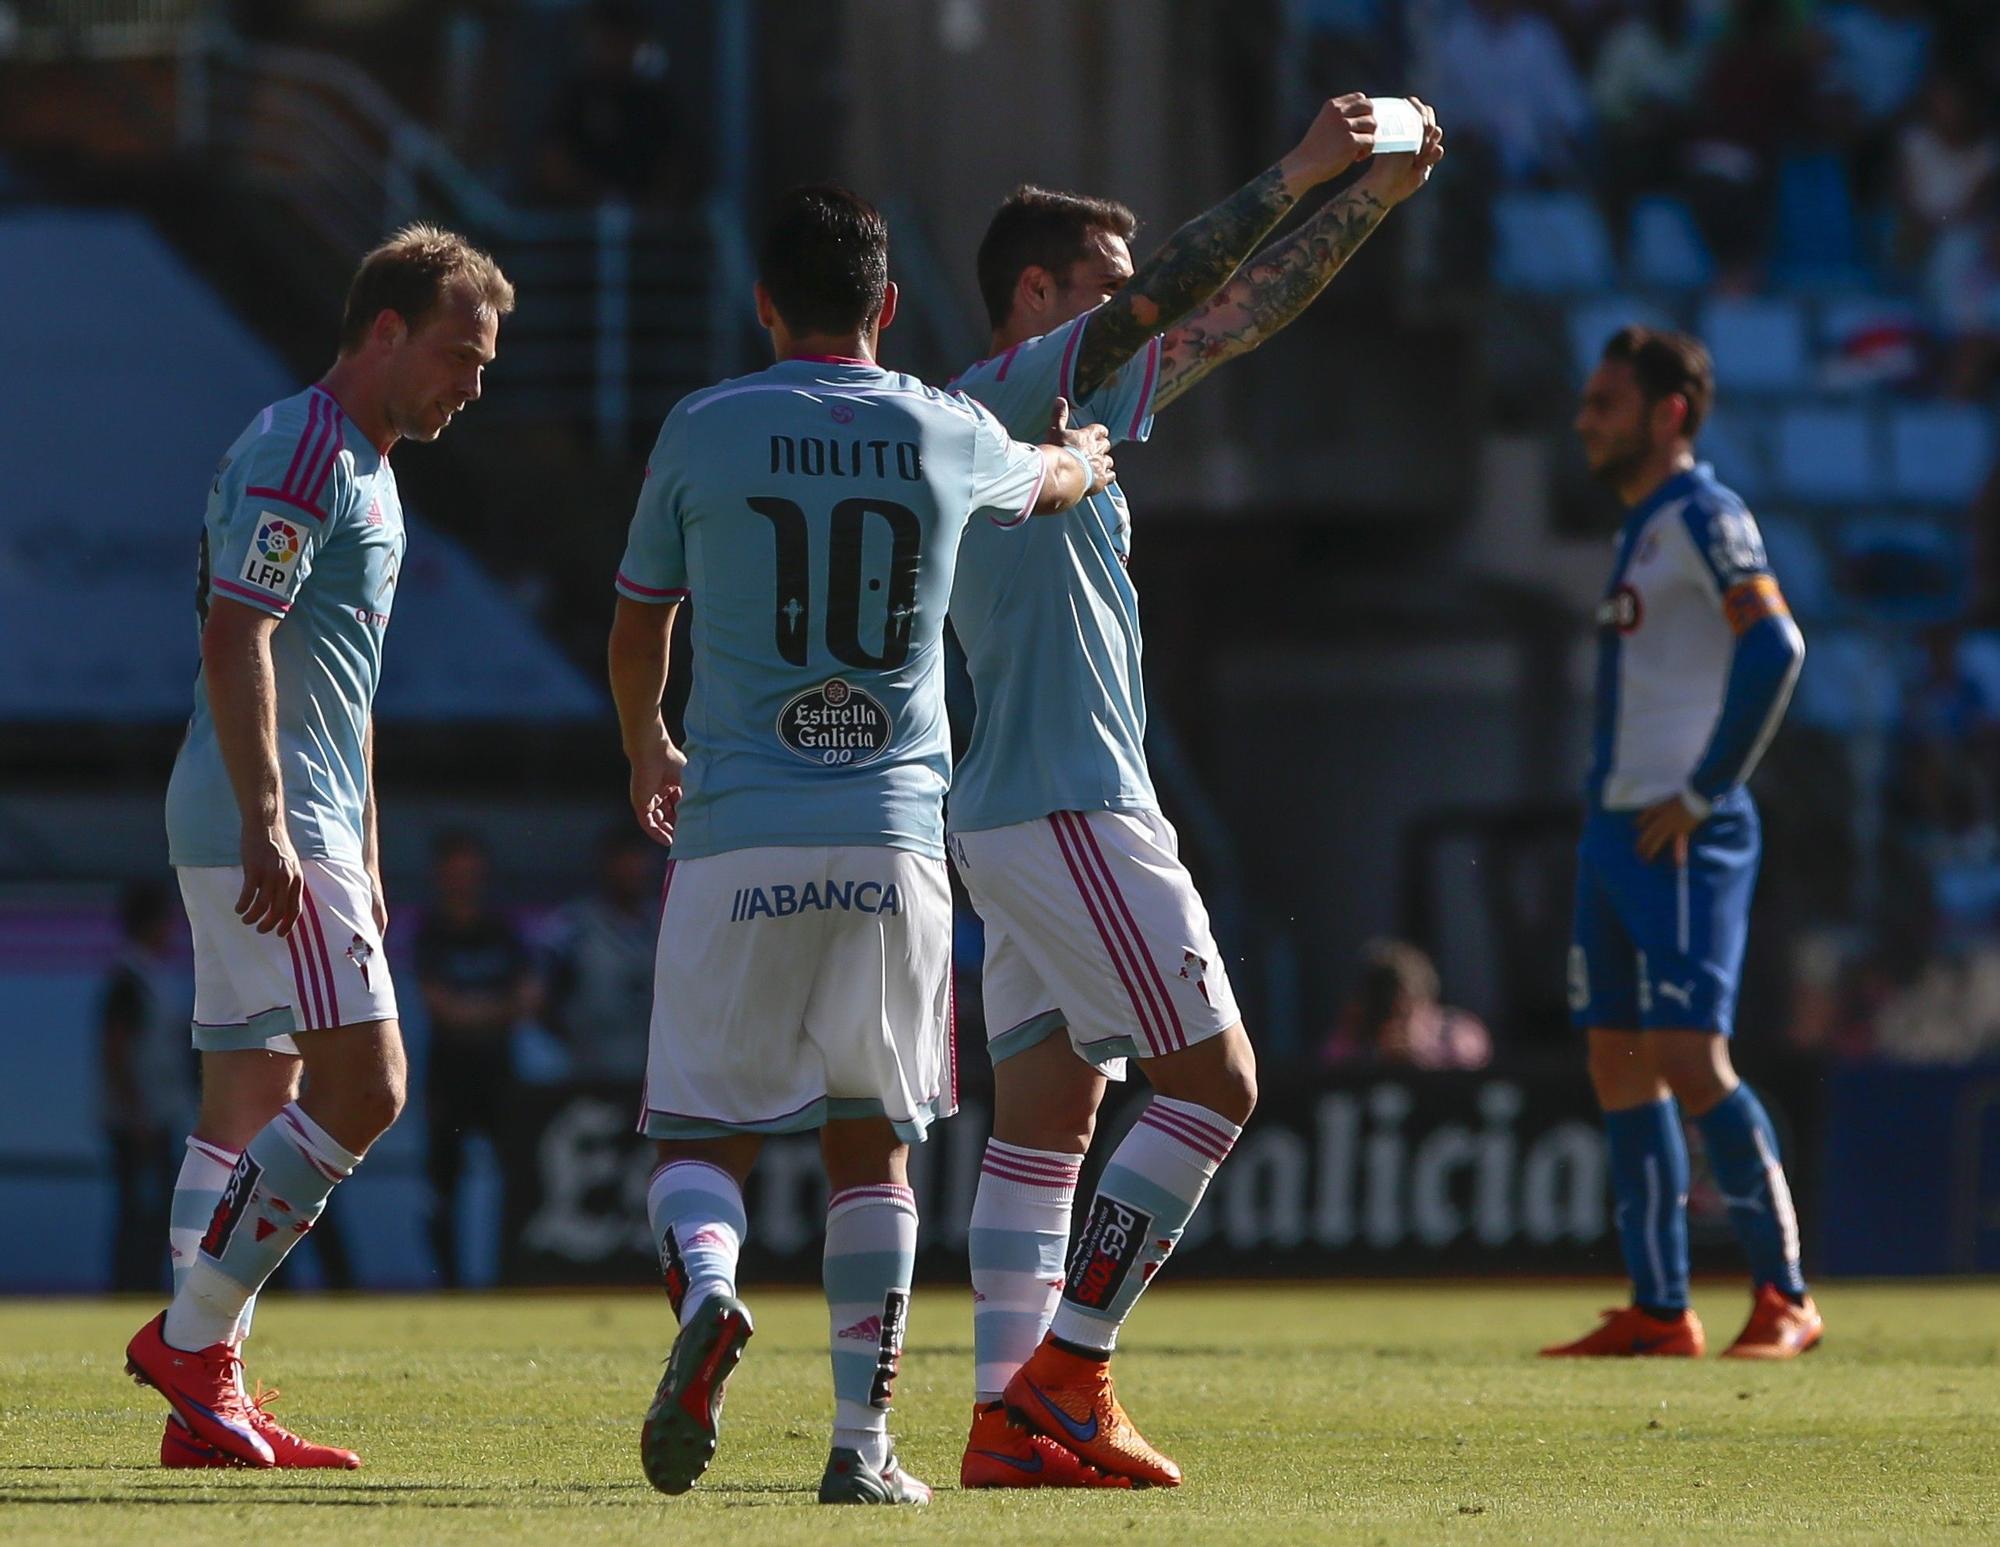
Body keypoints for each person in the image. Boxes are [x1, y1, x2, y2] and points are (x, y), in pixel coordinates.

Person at [945, 95, 1443, 1490]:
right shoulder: (1015, 391)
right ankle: (1071, 1371)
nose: (1138, 305)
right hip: (1071, 797)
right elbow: (1192, 291)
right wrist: (1299, 167)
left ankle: (1003, 1412)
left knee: (1047, 1116)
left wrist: (1368, 205)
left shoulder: (1063, 406)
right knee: (1215, 1083)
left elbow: (1238, 316)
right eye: (1108, 285)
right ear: (1038, 297)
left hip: (1015, 805)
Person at [607, 184, 1115, 1506]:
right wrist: (1086, 459)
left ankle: (711, 1291)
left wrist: (647, 745)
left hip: (732, 832)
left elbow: (637, 619)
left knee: (701, 1138)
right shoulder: (947, 425)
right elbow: (1048, 482)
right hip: (891, 837)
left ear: (765, 304)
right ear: (889, 308)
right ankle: (859, 1444)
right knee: (871, 1143)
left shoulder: (705, 427)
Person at [126, 225, 512, 1468]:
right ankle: (192, 1343)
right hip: (267, 815)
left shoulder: (364, 465)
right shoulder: (308, 447)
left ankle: (206, 1395)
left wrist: (368, 842)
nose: (473, 380)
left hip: (287, 812)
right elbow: (237, 635)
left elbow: (338, 683)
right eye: (460, 351)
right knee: (369, 1088)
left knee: (251, 1097)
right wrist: (272, 822)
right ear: (385, 330)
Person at [1543, 327, 1818, 1361]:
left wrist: (1706, 790)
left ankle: (1784, 1295)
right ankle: (1660, 1309)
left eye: (1606, 401)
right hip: (1616, 825)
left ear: (1669, 413)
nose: (1584, 419)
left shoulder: (1704, 514)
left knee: (1687, 1055)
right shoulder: (1641, 526)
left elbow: (1775, 645)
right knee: (1615, 1055)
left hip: (1679, 830)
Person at [415, 829, 536, 1286]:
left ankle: (514, 1277)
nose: (462, 881)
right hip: (448, 1077)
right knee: (442, 1188)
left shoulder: (503, 930)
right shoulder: (432, 932)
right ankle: (447, 1282)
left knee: (516, 1180)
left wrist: (474, 1012)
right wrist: (493, 1010)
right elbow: (440, 1007)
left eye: (470, 871)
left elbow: (528, 998)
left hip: (500, 1076)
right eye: (453, 871)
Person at [100, 880, 195, 1293]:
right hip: (138, 1117)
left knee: (156, 1210)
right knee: (139, 1207)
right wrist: (134, 1111)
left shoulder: (156, 977)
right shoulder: (129, 979)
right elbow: (115, 1050)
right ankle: (130, 1286)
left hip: (161, 1111)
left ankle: (147, 1283)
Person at [1320, 937, 1492, 1070]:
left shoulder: (1459, 1041)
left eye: (1405, 1013)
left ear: (1427, 1003)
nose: (1395, 1026)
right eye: (1386, 1013)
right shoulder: (1351, 1037)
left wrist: (1422, 1059)